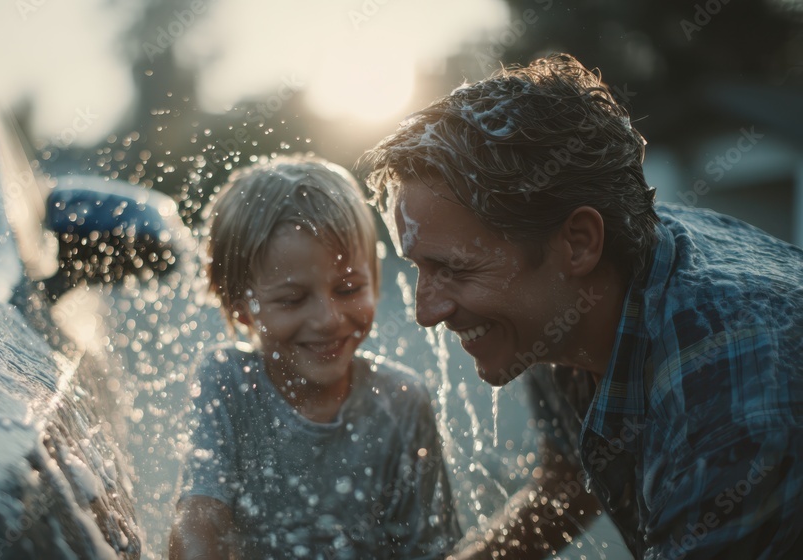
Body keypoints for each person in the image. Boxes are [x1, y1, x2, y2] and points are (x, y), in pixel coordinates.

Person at [362, 54, 803, 559]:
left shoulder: (731, 410)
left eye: (455, 269)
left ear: (578, 242)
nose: (426, 312)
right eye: (419, 266)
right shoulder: (563, 302)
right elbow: (568, 484)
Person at [169, 155, 462, 559]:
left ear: (375, 283)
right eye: (292, 299)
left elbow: (431, 551)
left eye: (348, 289)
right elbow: (200, 516)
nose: (327, 319)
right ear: (241, 308)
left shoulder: (402, 401)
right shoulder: (228, 380)